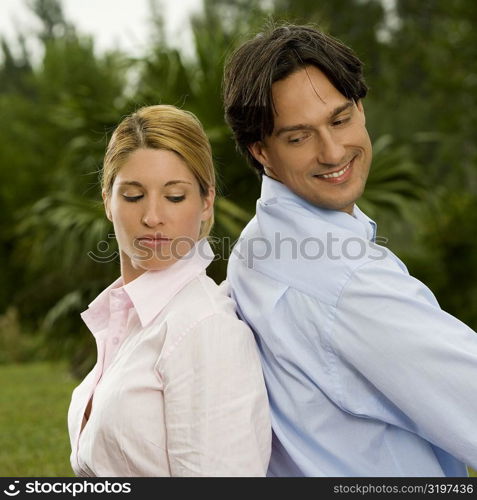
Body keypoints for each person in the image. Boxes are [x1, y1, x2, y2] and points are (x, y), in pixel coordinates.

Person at [223, 23, 477, 477]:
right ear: (261, 151)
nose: (334, 151)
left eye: (340, 120)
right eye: (298, 137)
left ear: (360, 107)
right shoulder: (346, 283)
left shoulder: (254, 246)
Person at [67, 104, 271, 477]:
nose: (152, 217)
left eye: (175, 196)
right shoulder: (128, 317)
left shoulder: (205, 328)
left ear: (206, 202)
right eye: (132, 195)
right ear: (107, 202)